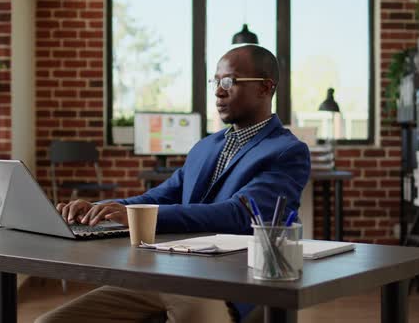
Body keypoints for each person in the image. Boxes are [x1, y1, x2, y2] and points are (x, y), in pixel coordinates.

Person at [36, 45, 311, 323]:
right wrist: (103, 209)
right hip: (168, 273)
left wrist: (137, 217)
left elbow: (239, 214)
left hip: (225, 283)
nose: (218, 91)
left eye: (229, 81)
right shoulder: (206, 146)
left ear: (265, 88)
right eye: (215, 81)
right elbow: (163, 195)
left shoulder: (287, 151)